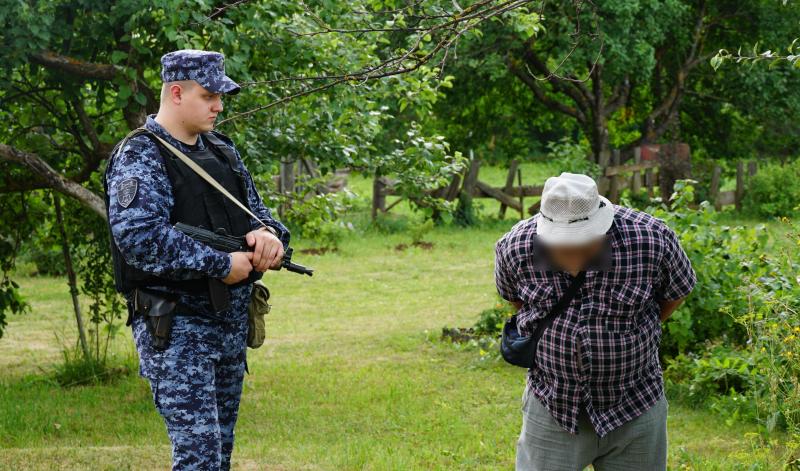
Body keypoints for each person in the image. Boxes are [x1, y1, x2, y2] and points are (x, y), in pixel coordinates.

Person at [104, 49, 289, 470]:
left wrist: (271, 238)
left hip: (228, 326)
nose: (219, 106)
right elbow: (138, 237)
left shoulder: (222, 151)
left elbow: (260, 215)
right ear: (175, 93)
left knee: (218, 456)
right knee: (199, 459)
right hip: (177, 327)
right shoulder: (141, 155)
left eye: (220, 96)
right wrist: (222, 265)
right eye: (208, 96)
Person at [495, 173, 696, 470]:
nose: (575, 256)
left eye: (585, 244)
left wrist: (633, 335)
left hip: (636, 405)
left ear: (603, 225)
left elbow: (675, 294)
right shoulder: (515, 247)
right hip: (552, 406)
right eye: (564, 247)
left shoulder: (652, 239)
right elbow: (517, 302)